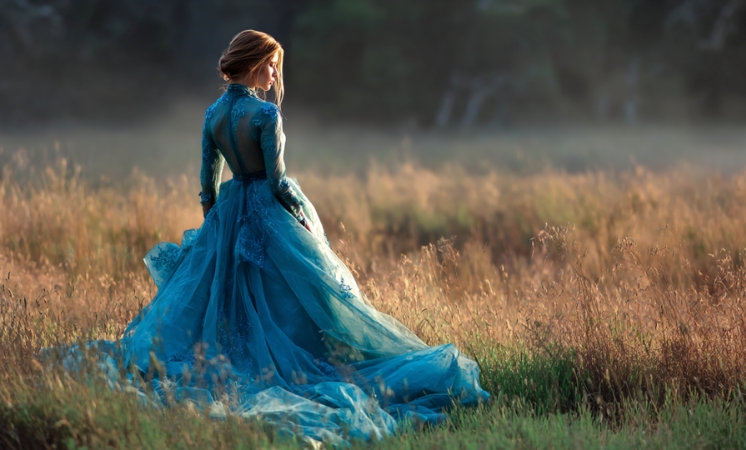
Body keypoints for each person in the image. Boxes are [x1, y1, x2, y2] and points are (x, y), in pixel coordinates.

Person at [64, 30, 489, 445]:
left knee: (227, 303)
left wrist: (215, 233)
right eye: (270, 64)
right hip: (267, 212)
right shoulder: (266, 116)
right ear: (252, 64)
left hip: (228, 214)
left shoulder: (212, 115)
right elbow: (279, 181)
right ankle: (306, 368)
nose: (273, 73)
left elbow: (206, 186)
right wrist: (303, 221)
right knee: (300, 299)